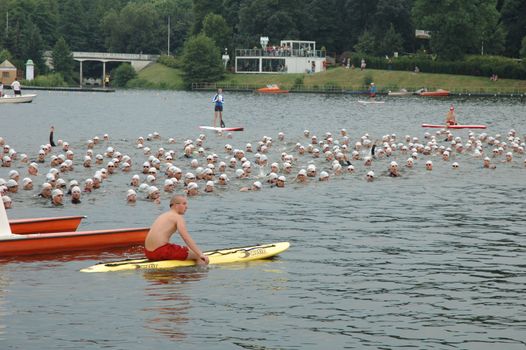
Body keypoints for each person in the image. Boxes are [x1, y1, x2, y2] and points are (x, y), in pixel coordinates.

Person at [144, 195, 209, 265]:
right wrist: (200, 254)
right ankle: (199, 273)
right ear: (176, 205)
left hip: (148, 253)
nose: (186, 207)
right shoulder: (177, 217)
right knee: (197, 256)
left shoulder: (163, 215)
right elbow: (186, 237)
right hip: (160, 251)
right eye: (184, 204)